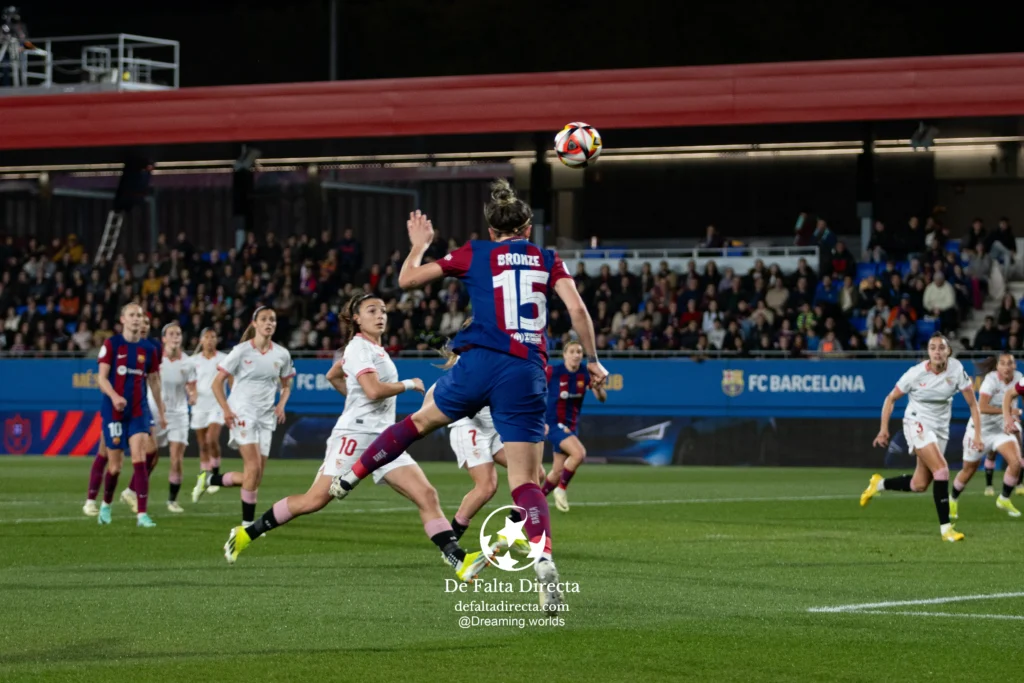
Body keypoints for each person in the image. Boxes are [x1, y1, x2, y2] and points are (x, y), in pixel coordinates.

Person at [328, 181, 608, 612]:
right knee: (526, 482)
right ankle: (544, 559)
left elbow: (407, 280)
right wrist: (592, 360)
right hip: (526, 371)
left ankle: (351, 476)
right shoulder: (548, 258)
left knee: (417, 424)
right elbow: (578, 311)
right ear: (528, 229)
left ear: (492, 231)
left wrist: (419, 245)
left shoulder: (476, 252)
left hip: (480, 364)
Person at [223, 294, 489, 582]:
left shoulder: (373, 349)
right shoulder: (358, 347)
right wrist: (408, 384)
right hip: (355, 436)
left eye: (383, 310)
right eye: (372, 310)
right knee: (313, 501)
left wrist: (355, 398)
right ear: (357, 319)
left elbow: (333, 375)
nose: (380, 315)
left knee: (426, 494)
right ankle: (247, 533)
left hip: (386, 438)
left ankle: (458, 559)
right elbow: (373, 391)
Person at [860, 333, 982, 542]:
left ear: (948, 351)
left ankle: (879, 484)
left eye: (941, 348)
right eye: (932, 347)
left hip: (940, 429)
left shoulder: (956, 370)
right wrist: (883, 429)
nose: (937, 351)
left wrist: (978, 435)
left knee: (919, 484)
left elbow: (973, 404)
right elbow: (890, 398)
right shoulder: (915, 374)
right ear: (928, 352)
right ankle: (946, 530)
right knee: (942, 470)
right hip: (916, 422)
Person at [193, 307, 294, 526]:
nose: (269, 323)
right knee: (253, 468)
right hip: (242, 414)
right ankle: (247, 525)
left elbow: (287, 385)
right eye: (264, 319)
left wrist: (281, 405)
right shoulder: (240, 351)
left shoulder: (282, 354)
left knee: (255, 477)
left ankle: (210, 479)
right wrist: (227, 410)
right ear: (255, 323)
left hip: (266, 418)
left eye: (272, 319)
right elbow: (217, 383)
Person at [93, 303, 166, 527]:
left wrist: (161, 410)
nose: (136, 318)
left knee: (140, 458)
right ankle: (106, 505)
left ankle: (142, 514)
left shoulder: (149, 349)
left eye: (139, 315)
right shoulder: (112, 344)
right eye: (132, 315)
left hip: (138, 411)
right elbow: (101, 378)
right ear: (123, 319)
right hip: (114, 412)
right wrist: (115, 397)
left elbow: (154, 380)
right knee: (115, 467)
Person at [948, 353, 1022, 520]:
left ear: (1015, 365)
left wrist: (1012, 417)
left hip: (1001, 429)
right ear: (997, 367)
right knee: (969, 470)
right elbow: (982, 407)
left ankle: (1004, 499)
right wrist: (1009, 411)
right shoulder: (990, 380)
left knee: (1016, 462)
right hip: (980, 429)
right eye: (1002, 363)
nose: (1006, 367)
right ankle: (953, 499)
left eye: (1010, 363)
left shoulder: (1019, 378)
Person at [542, 340, 607, 512]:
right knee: (579, 453)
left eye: (579, 352)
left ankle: (535, 502)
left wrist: (598, 388)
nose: (576, 355)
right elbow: (534, 389)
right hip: (553, 424)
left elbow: (602, 398)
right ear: (564, 355)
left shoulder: (585, 373)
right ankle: (561, 489)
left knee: (557, 472)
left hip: (571, 426)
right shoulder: (553, 371)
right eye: (572, 351)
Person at [148, 322, 193, 513]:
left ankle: (172, 501)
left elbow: (192, 386)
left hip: (179, 414)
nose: (175, 337)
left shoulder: (188, 362)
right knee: (151, 457)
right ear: (164, 339)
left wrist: (192, 395)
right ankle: (136, 490)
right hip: (156, 412)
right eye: (171, 334)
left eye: (178, 334)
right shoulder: (155, 358)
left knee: (177, 459)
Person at [188, 328, 228, 502]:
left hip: (217, 405)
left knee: (212, 439)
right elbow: (189, 382)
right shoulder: (193, 361)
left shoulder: (224, 359)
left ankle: (216, 476)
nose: (210, 340)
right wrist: (191, 393)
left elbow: (231, 380)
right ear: (201, 340)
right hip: (199, 407)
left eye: (213, 337)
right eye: (207, 337)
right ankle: (204, 477)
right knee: (203, 445)